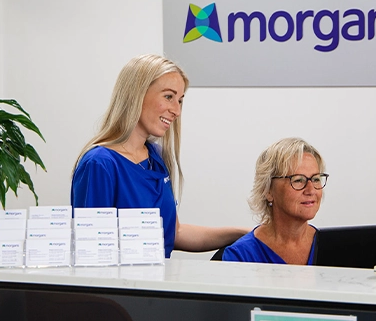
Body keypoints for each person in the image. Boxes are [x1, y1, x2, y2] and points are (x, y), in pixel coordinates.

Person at [71, 54, 247, 258]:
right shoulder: (100, 164)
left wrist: (246, 234)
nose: (177, 110)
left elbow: (175, 233)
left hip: (158, 284)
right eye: (168, 97)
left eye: (180, 100)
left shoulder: (156, 158)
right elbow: (91, 254)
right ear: (136, 94)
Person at [222, 137, 327, 265]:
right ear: (268, 190)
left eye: (316, 179)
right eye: (298, 180)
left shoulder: (334, 247)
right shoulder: (241, 256)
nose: (311, 190)